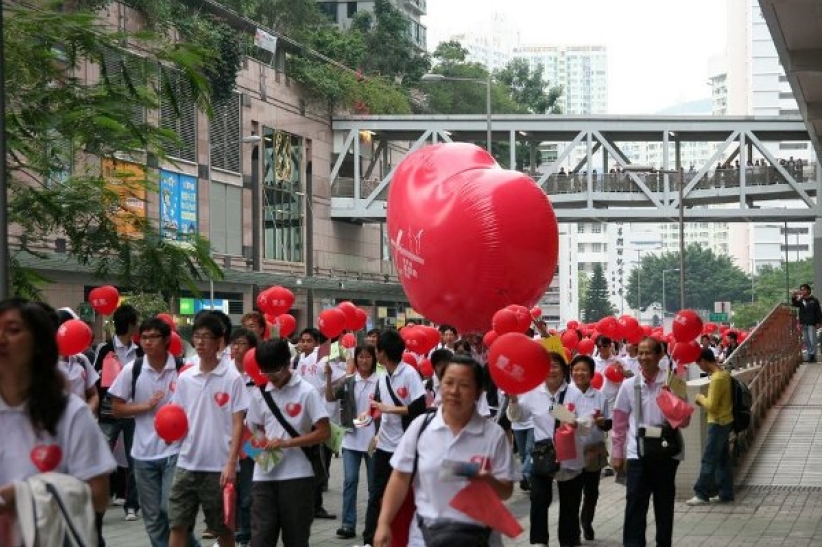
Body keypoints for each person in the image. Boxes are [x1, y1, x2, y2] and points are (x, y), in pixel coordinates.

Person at [0, 298, 116, 545]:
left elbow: (99, 495)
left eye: (13, 330)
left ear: (39, 345)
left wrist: (23, 495)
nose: (1, 338)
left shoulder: (70, 413)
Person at [373, 354, 516, 547]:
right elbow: (400, 477)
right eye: (448, 382)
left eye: (464, 385)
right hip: (425, 536)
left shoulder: (493, 435)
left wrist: (487, 480)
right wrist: (383, 523)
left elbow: (506, 491)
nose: (454, 391)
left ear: (479, 392)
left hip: (478, 537)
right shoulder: (421, 427)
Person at [107, 317, 190, 547]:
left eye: (153, 337)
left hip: (175, 450)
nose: (147, 342)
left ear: (166, 340)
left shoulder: (183, 369)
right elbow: (116, 408)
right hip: (143, 453)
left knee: (170, 510)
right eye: (144, 337)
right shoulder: (132, 370)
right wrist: (144, 406)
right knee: (153, 518)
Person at [167, 313, 248, 547]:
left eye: (206, 337)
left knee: (223, 529)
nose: (200, 343)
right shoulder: (186, 378)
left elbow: (238, 423)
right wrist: (169, 438)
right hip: (187, 462)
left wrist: (231, 463)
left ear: (219, 342)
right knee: (177, 523)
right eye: (197, 337)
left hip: (218, 467)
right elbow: (176, 416)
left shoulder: (232, 378)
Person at [246, 339, 331, 547]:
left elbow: (324, 432)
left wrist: (286, 443)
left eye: (273, 371)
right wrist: (260, 447)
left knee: (296, 538)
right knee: (260, 538)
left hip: (298, 476)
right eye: (264, 372)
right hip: (263, 476)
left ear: (286, 363)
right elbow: (253, 428)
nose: (270, 378)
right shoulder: (260, 393)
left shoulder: (306, 391)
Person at [611, 337, 690, 547]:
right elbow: (619, 423)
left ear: (660, 355)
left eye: (648, 353)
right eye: (640, 353)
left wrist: (671, 400)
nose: (644, 357)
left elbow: (684, 422)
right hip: (637, 454)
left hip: (665, 452)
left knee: (664, 507)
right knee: (635, 506)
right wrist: (616, 453)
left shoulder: (674, 382)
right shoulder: (629, 386)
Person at [507, 352, 581, 547]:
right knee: (539, 500)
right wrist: (513, 400)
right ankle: (539, 541)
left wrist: (566, 416)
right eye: (546, 366)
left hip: (569, 454)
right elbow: (518, 416)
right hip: (543, 454)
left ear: (564, 370)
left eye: (555, 366)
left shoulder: (574, 393)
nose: (551, 370)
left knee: (569, 504)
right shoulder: (533, 392)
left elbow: (584, 421)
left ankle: (569, 540)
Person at [362, 328, 427, 546]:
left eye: (377, 348)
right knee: (376, 494)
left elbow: (419, 407)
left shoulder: (409, 373)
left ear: (383, 353)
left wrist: (389, 409)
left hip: (406, 447)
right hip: (385, 446)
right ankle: (370, 539)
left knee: (406, 495)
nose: (375, 352)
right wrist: (372, 420)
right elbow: (380, 406)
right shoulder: (383, 377)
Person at [93, 303, 142, 521]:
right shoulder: (105, 349)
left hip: (133, 411)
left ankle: (132, 505)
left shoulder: (140, 351)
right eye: (136, 323)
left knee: (134, 460)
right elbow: (94, 380)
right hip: (108, 412)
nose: (138, 327)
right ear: (130, 325)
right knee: (101, 457)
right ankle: (98, 505)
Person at [326, 345, 379, 540]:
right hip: (351, 440)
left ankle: (373, 526)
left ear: (374, 359)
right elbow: (330, 397)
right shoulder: (349, 381)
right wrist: (328, 377)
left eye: (367, 357)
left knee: (374, 486)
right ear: (355, 360)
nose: (364, 361)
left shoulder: (380, 382)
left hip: (373, 440)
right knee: (350, 481)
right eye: (361, 357)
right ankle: (348, 524)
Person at [293, 327, 343, 520]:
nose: (304, 343)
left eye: (308, 340)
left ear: (316, 343)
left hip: (323, 418)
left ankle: (316, 502)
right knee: (312, 462)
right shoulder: (298, 360)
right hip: (304, 421)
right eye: (302, 340)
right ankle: (312, 502)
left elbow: (341, 380)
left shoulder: (324, 359)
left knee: (322, 461)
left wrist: (330, 379)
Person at [568, 355, 612, 542]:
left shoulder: (600, 396)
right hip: (572, 451)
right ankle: (572, 530)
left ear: (592, 373)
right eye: (576, 370)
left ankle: (586, 522)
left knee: (591, 492)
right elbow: (553, 411)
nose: (579, 373)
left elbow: (608, 423)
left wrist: (602, 423)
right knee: (573, 493)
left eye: (583, 370)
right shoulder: (564, 394)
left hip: (594, 451)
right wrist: (572, 421)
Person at [686, 348, 734, 506]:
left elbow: (712, 405)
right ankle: (725, 492)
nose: (699, 367)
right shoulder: (724, 374)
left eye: (699, 364)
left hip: (717, 422)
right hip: (726, 420)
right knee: (723, 460)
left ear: (704, 361)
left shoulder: (717, 379)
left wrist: (699, 398)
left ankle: (702, 493)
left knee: (709, 458)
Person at [229, 327, 259, 547]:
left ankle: (246, 534)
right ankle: (230, 533)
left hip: (253, 439)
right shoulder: (225, 374)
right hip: (227, 439)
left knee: (249, 489)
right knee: (229, 489)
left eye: (241, 344)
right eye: (234, 343)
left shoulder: (259, 375)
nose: (236, 348)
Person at [792, 284, 822, 362]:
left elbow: (818, 312)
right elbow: (794, 304)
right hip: (803, 323)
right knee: (806, 340)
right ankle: (809, 355)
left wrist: (819, 322)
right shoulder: (801, 300)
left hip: (812, 323)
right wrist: (794, 295)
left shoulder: (814, 300)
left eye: (804, 289)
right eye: (801, 290)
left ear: (808, 290)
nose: (802, 291)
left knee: (812, 340)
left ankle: (813, 356)